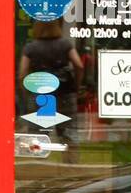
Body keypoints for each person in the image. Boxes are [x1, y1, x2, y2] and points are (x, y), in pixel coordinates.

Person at [18, 18, 84, 148]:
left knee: (37, 133)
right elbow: (79, 65)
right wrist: (76, 85)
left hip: (40, 95)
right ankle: (71, 164)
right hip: (64, 93)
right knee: (68, 133)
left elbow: (22, 73)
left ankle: (39, 163)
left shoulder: (30, 48)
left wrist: (26, 92)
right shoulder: (65, 44)